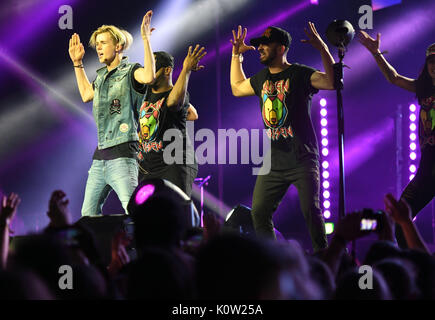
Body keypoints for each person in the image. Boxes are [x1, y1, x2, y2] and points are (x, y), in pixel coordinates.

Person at [229, 23, 336, 251]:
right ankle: (274, 257)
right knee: (259, 212)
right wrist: (236, 56)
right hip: (274, 162)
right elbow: (237, 87)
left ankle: (325, 257)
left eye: (265, 45)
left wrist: (323, 48)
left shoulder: (299, 73)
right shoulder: (261, 78)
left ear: (281, 48)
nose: (259, 48)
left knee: (311, 212)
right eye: (259, 45)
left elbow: (331, 82)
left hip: (302, 158)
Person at [68, 11, 156, 216]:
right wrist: (77, 63)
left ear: (118, 47)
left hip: (123, 155)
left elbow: (150, 76)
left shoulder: (131, 70)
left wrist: (146, 40)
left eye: (103, 42)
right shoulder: (100, 78)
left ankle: (144, 247)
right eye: (96, 43)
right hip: (100, 158)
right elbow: (86, 95)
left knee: (135, 213)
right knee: (88, 215)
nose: (98, 47)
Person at [358, 31, 435, 247]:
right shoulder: (423, 88)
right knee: (400, 219)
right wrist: (376, 53)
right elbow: (393, 77)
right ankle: (411, 269)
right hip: (427, 169)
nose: (434, 66)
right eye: (431, 62)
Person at [137, 47, 206, 197]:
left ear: (167, 71)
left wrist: (186, 70)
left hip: (176, 164)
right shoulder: (147, 93)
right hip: (151, 166)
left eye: (154, 68)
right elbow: (193, 114)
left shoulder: (176, 95)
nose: (148, 70)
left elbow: (174, 102)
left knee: (174, 212)